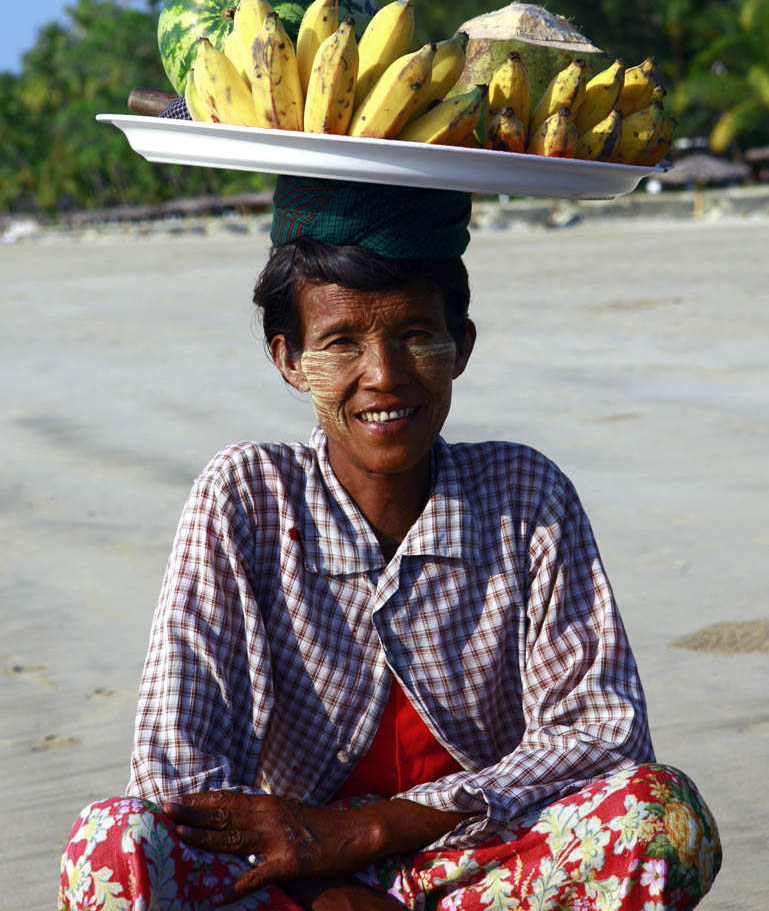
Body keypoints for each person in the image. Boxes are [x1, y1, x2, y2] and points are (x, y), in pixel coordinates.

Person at [59, 176, 721, 911]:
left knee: (659, 817)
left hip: (475, 869)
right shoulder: (246, 494)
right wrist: (334, 886)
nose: (383, 376)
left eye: (413, 334)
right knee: (112, 845)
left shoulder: (524, 493)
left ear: (459, 345)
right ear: (289, 360)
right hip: (288, 882)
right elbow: (172, 776)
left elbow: (605, 738)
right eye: (341, 342)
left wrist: (373, 830)